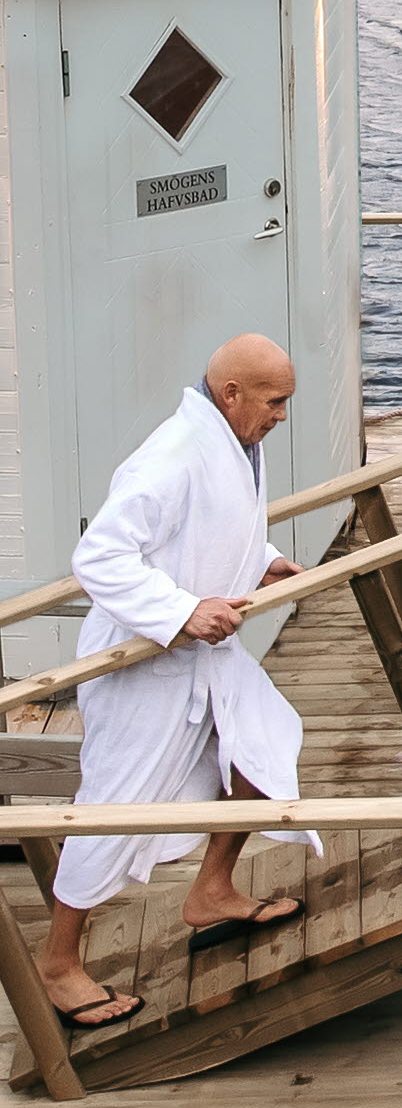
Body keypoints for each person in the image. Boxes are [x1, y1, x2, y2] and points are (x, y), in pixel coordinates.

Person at [39, 336, 318, 1027]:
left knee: (265, 740)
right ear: (232, 393)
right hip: (140, 664)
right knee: (112, 809)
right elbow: (98, 557)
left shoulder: (235, 440)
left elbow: (210, 525)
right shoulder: (171, 455)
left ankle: (213, 889)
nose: (283, 415)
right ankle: (58, 962)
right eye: (275, 401)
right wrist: (182, 610)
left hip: (202, 655)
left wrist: (264, 558)